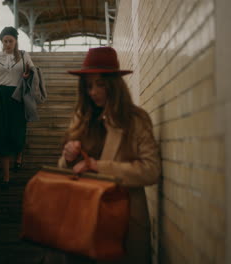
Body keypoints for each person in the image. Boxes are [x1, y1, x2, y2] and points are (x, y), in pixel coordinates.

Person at [56, 46, 161, 263]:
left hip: (122, 224)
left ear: (114, 85)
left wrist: (97, 167)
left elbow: (151, 171)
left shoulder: (135, 120)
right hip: (83, 221)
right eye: (88, 86)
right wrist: (67, 158)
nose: (93, 92)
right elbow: (64, 169)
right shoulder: (81, 118)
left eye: (100, 85)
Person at [0, 26, 34, 188]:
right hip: (2, 97)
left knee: (18, 130)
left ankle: (19, 156)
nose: (7, 44)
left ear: (16, 41)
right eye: (5, 41)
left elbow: (34, 73)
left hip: (18, 97)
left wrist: (27, 75)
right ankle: (6, 177)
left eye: (10, 40)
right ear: (2, 42)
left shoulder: (25, 56)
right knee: (2, 133)